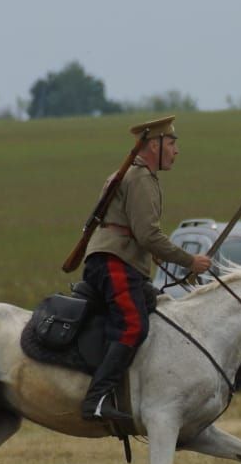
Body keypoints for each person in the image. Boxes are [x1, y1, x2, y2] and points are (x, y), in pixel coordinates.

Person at [80, 115, 212, 425]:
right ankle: (96, 400)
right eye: (173, 143)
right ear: (156, 145)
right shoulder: (140, 178)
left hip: (121, 260)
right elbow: (147, 234)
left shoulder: (137, 176)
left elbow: (136, 231)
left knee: (154, 311)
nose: (177, 150)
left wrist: (153, 253)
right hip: (114, 262)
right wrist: (190, 261)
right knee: (132, 326)